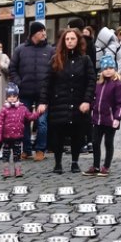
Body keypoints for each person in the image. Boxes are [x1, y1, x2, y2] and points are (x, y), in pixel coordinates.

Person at [38, 29, 95, 174]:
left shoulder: (85, 60)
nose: (70, 41)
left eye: (72, 39)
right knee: (58, 134)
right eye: (67, 39)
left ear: (78, 41)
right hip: (59, 102)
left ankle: (75, 162)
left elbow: (91, 81)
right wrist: (43, 101)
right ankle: (58, 162)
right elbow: (46, 82)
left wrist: (87, 100)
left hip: (78, 102)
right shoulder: (56, 59)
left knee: (77, 134)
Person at [8, 21, 53, 161]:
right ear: (34, 33)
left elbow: (54, 70)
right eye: (41, 31)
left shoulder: (50, 50)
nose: (44, 34)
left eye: (44, 31)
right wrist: (19, 83)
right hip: (24, 92)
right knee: (24, 122)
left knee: (42, 122)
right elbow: (12, 68)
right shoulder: (20, 49)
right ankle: (26, 150)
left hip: (43, 94)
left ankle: (40, 149)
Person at [84, 55, 121, 176]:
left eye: (111, 67)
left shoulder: (118, 85)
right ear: (102, 70)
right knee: (95, 142)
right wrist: (89, 108)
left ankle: (106, 166)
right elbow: (94, 100)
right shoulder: (98, 85)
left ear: (115, 69)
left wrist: (117, 117)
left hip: (111, 120)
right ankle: (96, 165)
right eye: (105, 68)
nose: (108, 70)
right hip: (97, 119)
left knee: (108, 142)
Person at [0, 83, 38, 178]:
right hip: (6, 137)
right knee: (6, 155)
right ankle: (6, 170)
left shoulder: (22, 108)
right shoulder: (3, 110)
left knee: (17, 155)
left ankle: (17, 170)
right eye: (9, 96)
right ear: (6, 97)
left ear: (17, 97)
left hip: (18, 137)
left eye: (14, 96)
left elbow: (30, 117)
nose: (12, 98)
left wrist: (37, 113)